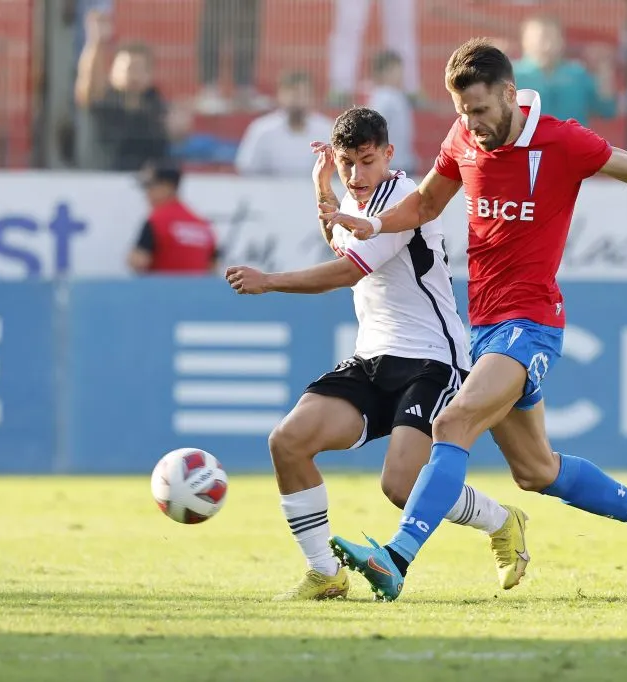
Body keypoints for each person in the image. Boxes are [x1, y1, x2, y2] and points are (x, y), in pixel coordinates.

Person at [322, 38, 627, 601]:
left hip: (531, 320)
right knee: (536, 471)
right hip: (485, 326)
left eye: (482, 110)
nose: (474, 124)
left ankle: (396, 560)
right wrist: (375, 225)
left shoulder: (562, 139)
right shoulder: (462, 136)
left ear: (509, 93)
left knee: (452, 423)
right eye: (464, 113)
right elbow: (427, 204)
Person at [224, 107, 529, 601]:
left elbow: (347, 271)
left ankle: (503, 520)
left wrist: (269, 281)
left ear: (388, 154)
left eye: (367, 162)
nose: (356, 175)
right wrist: (322, 187)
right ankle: (325, 573)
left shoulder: (404, 199)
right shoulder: (353, 196)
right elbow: (339, 238)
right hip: (372, 359)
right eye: (347, 163)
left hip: (432, 359)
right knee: (288, 442)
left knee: (402, 487)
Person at [75, 10, 187, 171]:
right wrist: (96, 43)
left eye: (139, 69)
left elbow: (177, 134)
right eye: (128, 68)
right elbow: (88, 84)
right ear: (113, 71)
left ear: (150, 73)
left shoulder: (157, 104)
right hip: (105, 181)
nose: (133, 75)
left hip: (150, 185)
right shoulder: (105, 100)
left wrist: (179, 129)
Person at [512, 15, 617, 126]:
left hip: (573, 142)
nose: (546, 44)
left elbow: (607, 111)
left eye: (552, 37)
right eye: (540, 38)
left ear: (561, 41)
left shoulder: (578, 74)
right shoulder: (510, 76)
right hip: (528, 143)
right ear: (524, 40)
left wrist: (605, 74)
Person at [235, 71, 334, 177]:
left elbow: (341, 171)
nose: (296, 100)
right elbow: (246, 169)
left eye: (302, 94)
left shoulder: (328, 130)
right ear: (279, 96)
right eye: (292, 94)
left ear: (311, 97)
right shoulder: (262, 129)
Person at [128, 161, 219, 274]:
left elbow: (139, 261)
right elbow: (213, 267)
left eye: (149, 186)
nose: (146, 193)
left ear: (167, 186)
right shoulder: (202, 224)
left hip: (161, 289)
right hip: (196, 290)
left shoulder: (156, 221)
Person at [367, 50, 416, 174]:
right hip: (392, 164)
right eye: (394, 70)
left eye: (399, 70)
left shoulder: (397, 95)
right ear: (380, 73)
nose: (399, 75)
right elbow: (373, 128)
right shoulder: (383, 97)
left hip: (402, 161)